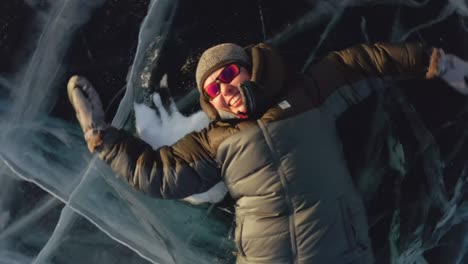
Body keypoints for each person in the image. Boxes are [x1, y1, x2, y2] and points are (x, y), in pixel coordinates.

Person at [67, 42, 468, 264]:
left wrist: (434, 62)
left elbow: (363, 64)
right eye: (212, 89)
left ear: (246, 68)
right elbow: (159, 174)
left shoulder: (308, 95)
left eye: (227, 74)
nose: (224, 89)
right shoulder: (215, 140)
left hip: (337, 253)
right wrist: (102, 138)